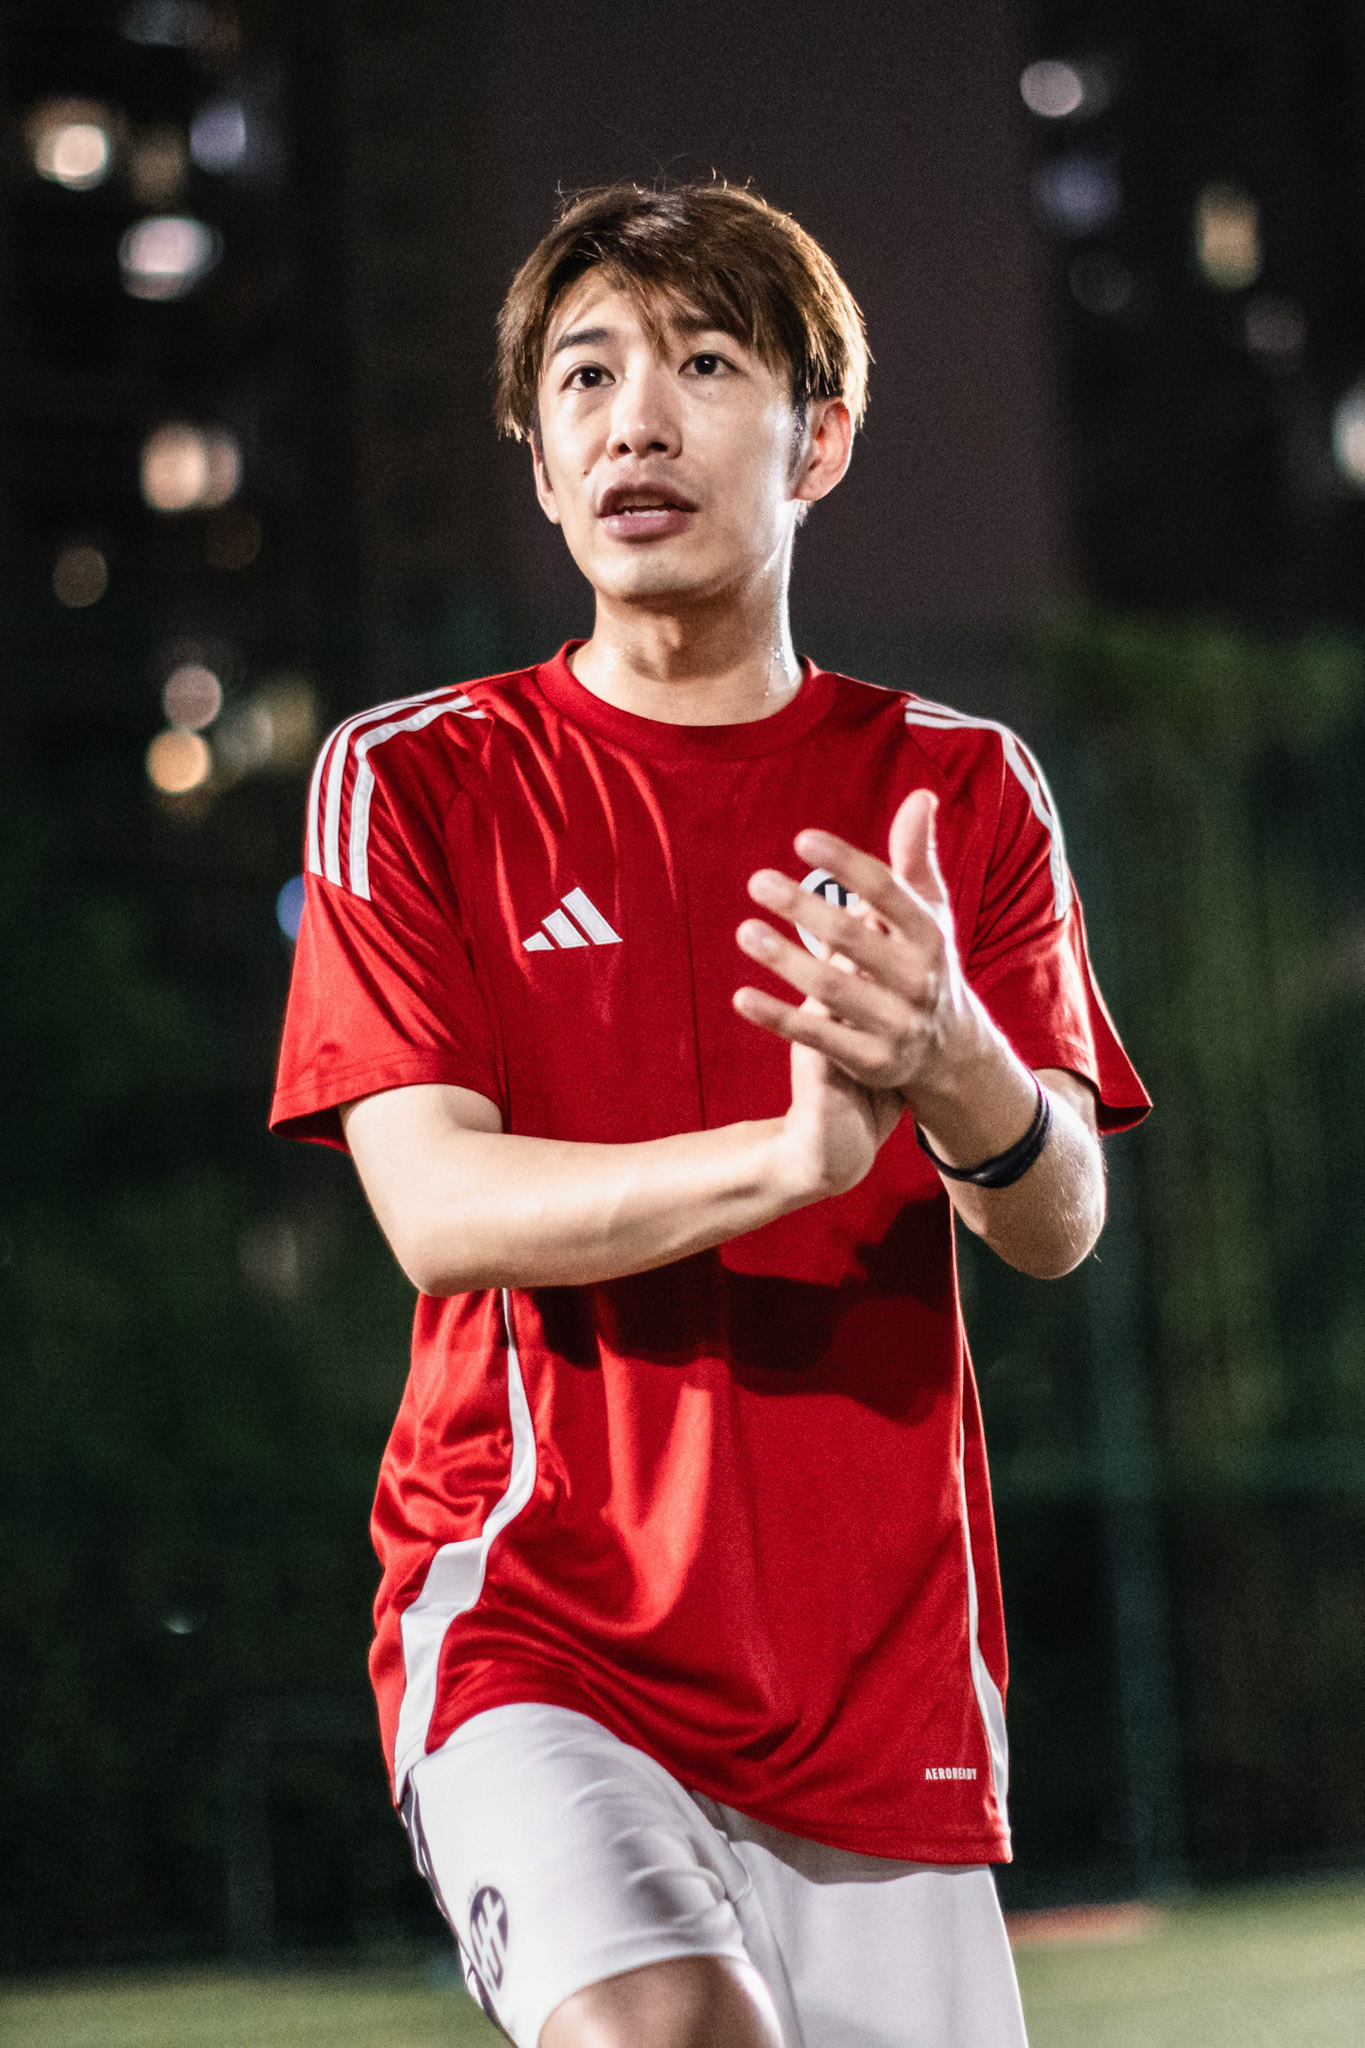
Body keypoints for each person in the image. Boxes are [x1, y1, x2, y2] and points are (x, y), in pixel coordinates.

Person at [271, 181, 1149, 2048]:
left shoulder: (960, 788)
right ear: (537, 463)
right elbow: (433, 1206)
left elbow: (1056, 1212)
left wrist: (950, 1060)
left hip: (874, 1678)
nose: (632, 420)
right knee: (674, 2031)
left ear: (818, 437)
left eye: (701, 362)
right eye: (580, 378)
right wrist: (788, 1161)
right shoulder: (416, 779)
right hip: (536, 1625)